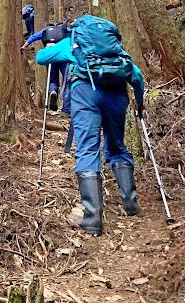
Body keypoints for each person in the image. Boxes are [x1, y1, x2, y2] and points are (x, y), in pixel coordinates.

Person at [35, 15, 144, 237]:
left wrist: (52, 47)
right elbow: (137, 76)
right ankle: (130, 204)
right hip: (117, 95)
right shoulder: (115, 51)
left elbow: (40, 57)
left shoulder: (73, 43)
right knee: (117, 147)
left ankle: (92, 218)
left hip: (85, 94)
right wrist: (140, 103)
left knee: (87, 149)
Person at [21, 23, 70, 114]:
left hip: (50, 54)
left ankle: (53, 91)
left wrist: (24, 47)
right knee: (67, 81)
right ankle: (66, 111)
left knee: (52, 79)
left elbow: (33, 37)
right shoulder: (65, 30)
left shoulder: (46, 31)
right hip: (63, 56)